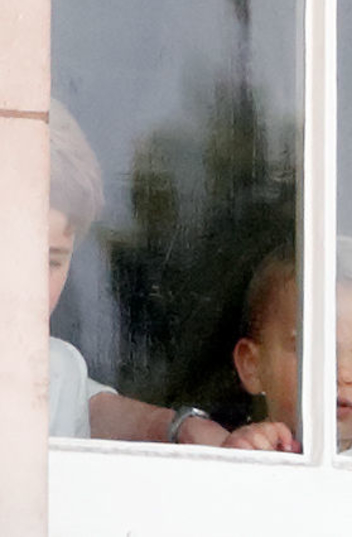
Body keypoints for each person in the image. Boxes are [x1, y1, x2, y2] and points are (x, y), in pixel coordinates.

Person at [49, 98, 230, 445]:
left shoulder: (60, 369)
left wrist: (182, 430)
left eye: (51, 261)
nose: (26, 285)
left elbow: (87, 406)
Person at [224, 237, 352, 461]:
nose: (342, 374)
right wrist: (233, 466)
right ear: (253, 366)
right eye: (315, 352)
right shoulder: (237, 461)